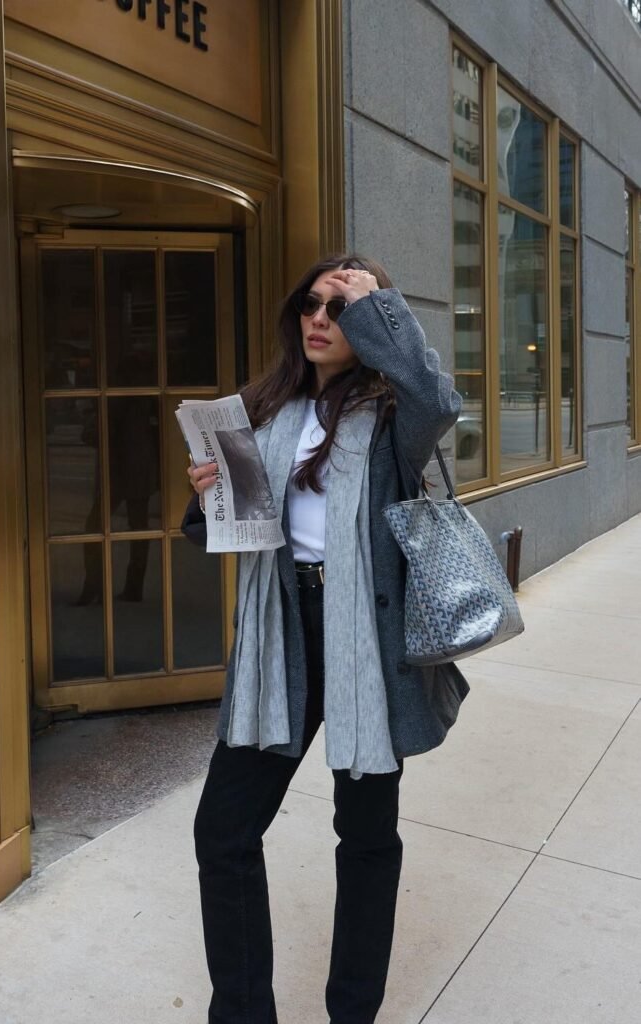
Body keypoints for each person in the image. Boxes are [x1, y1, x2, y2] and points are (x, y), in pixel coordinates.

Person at [183, 254, 469, 1024]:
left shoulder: (391, 419)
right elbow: (227, 530)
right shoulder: (262, 407)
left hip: (364, 646)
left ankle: (352, 1013)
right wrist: (206, 498)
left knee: (366, 839)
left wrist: (376, 300)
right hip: (281, 637)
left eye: (340, 311)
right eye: (312, 304)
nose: (320, 319)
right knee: (223, 832)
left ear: (371, 326)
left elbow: (439, 398)